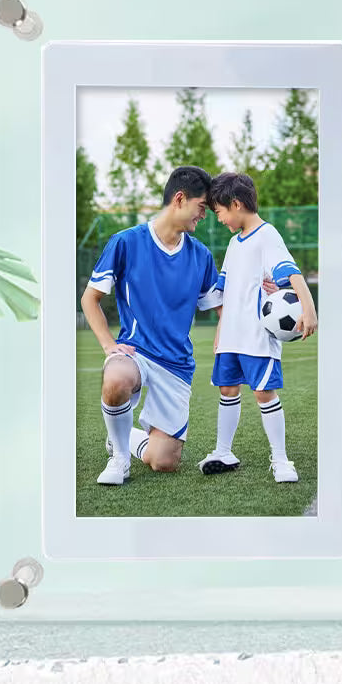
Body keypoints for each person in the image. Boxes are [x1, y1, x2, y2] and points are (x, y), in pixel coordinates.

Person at [80, 166, 223, 486]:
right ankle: (118, 457)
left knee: (164, 462)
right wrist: (108, 346)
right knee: (116, 377)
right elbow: (90, 299)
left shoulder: (201, 256)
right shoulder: (126, 242)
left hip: (176, 365)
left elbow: (223, 309)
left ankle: (124, 438)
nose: (204, 216)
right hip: (136, 352)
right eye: (201, 208)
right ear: (180, 198)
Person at [198, 172, 318, 484]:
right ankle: (223, 451)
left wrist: (309, 308)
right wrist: (220, 330)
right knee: (227, 390)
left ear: (236, 204)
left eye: (220, 212)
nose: (219, 219)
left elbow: (290, 272)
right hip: (231, 337)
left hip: (256, 338)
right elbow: (224, 290)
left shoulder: (268, 235)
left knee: (264, 393)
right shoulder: (234, 243)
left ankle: (280, 459)